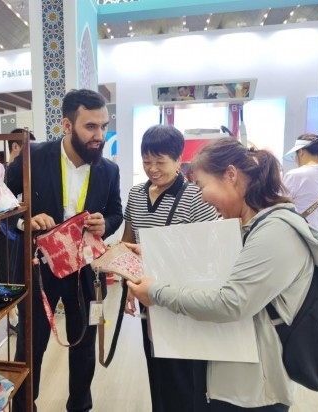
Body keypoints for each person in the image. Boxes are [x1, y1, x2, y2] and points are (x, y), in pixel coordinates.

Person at [127, 137, 318, 411]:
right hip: (229, 375)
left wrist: (155, 292)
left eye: (202, 185)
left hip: (253, 391)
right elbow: (210, 268)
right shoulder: (250, 225)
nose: (201, 196)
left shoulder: (276, 232)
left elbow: (231, 302)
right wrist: (155, 257)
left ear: (231, 175)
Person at [6, 89, 123, 412]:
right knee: (31, 345)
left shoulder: (108, 170)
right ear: (67, 125)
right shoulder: (32, 157)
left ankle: (80, 406)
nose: (100, 135)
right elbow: (1, 202)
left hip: (84, 269)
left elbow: (116, 212)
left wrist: (105, 224)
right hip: (38, 268)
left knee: (83, 345)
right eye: (91, 127)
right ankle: (24, 407)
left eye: (104, 126)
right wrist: (25, 221)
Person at [122, 124, 218, 412]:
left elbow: (210, 251)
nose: (152, 169)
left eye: (160, 161)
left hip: (181, 298)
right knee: (156, 368)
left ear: (178, 160)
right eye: (146, 161)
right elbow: (129, 241)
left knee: (183, 375)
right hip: (147, 298)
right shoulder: (136, 194)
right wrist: (128, 285)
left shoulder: (196, 197)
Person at [0, 128, 36, 333]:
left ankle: (22, 315)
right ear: (16, 146)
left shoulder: (29, 171)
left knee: (23, 276)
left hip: (23, 234)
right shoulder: (0, 172)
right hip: (5, 232)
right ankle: (12, 318)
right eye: (29, 148)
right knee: (6, 277)